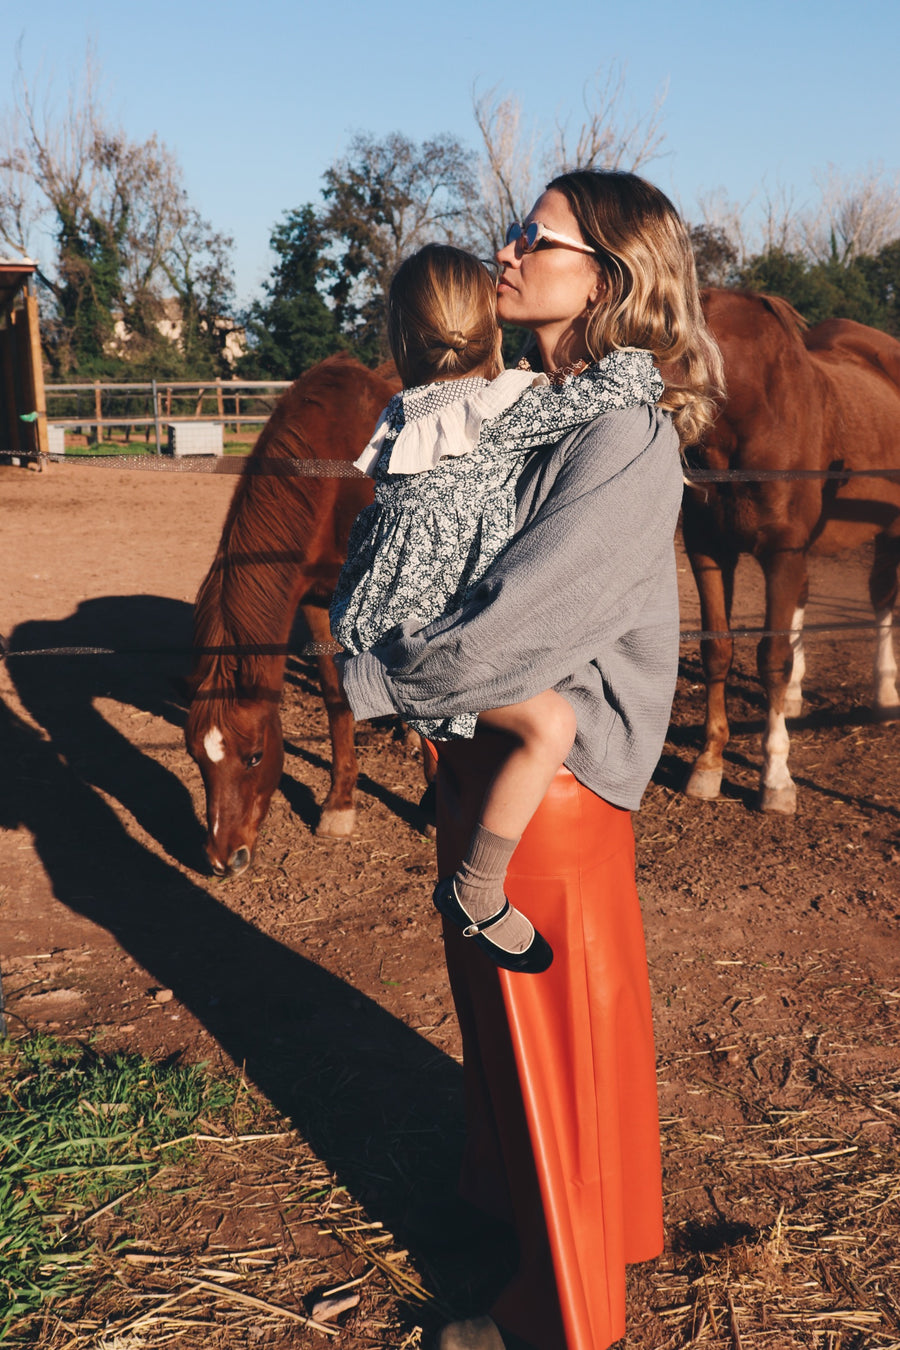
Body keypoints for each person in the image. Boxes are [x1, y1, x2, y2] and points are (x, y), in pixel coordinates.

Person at [340, 170, 723, 1350]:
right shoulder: (545, 404)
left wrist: (383, 678)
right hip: (499, 759)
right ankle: (549, 1235)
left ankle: (555, 1320)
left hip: (548, 791)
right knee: (529, 1030)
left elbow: (527, 619)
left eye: (534, 235)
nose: (504, 249)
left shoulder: (624, 432)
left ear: (604, 277)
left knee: (551, 1039)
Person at [331, 242, 665, 974]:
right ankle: (478, 890)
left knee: (500, 734)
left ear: (399, 340)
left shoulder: (401, 415)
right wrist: (641, 366)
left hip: (378, 612)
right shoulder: (499, 408)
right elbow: (594, 396)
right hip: (433, 628)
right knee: (550, 722)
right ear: (489, 329)